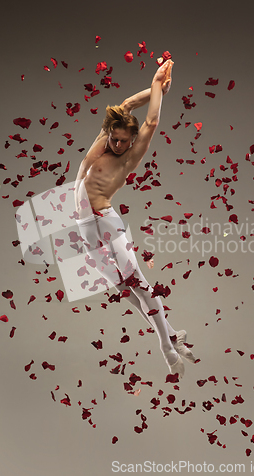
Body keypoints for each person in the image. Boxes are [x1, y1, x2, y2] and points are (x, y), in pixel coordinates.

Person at [74, 60, 196, 378]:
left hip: (105, 222)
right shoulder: (104, 140)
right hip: (86, 227)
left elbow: (152, 122)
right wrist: (156, 87)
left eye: (123, 141)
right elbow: (127, 105)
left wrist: (157, 86)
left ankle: (168, 350)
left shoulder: (129, 156)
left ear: (131, 142)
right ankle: (172, 334)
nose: (116, 144)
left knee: (140, 287)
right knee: (126, 291)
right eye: (114, 138)